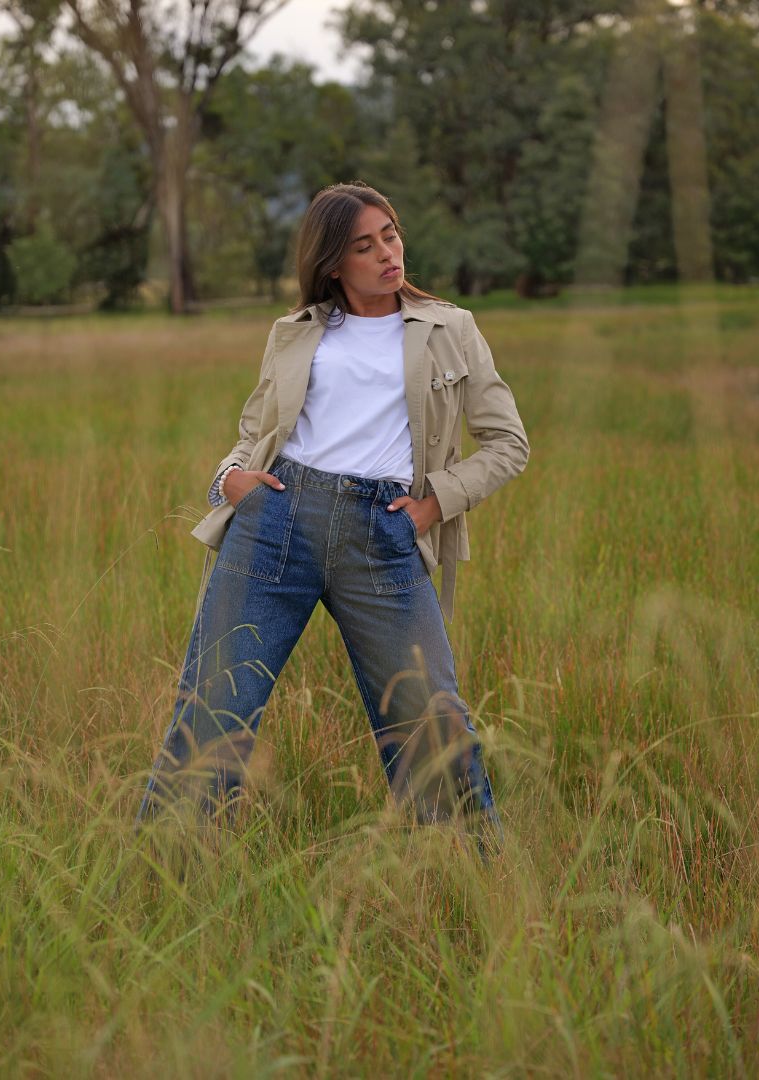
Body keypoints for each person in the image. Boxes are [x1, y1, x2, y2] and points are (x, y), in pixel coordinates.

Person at [135, 181, 529, 860]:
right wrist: (229, 479)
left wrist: (434, 503)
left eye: (391, 235)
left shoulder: (450, 329)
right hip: (274, 523)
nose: (387, 253)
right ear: (333, 263)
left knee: (429, 714)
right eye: (364, 246)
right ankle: (166, 870)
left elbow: (508, 443)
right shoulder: (295, 332)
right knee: (214, 706)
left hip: (382, 532)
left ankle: (470, 875)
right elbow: (254, 433)